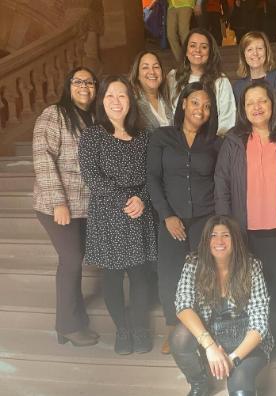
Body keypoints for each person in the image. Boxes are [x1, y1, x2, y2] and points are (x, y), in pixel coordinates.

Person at [215, 80, 276, 361]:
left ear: (273, 104)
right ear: (243, 109)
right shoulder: (234, 141)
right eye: (250, 102)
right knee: (254, 289)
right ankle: (259, 337)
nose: (256, 107)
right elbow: (222, 184)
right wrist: (225, 227)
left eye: (262, 101)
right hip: (245, 232)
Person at [79, 75, 158, 355]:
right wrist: (126, 199)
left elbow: (153, 175)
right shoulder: (92, 135)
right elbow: (92, 176)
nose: (116, 101)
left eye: (122, 95)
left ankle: (139, 328)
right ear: (102, 100)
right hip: (108, 214)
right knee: (112, 277)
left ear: (130, 101)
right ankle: (123, 331)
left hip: (139, 213)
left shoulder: (144, 136)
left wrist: (142, 200)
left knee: (139, 276)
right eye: (110, 95)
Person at [147, 82, 220, 355]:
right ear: (184, 104)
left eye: (207, 105)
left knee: (204, 275)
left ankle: (204, 329)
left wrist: (217, 222)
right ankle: (173, 328)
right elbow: (153, 178)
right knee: (170, 275)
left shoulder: (214, 142)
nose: (201, 109)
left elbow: (219, 181)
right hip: (171, 220)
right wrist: (166, 215)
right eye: (195, 103)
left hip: (205, 218)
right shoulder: (162, 137)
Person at [170, 215, 273, 396]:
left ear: (235, 240)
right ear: (206, 240)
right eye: (213, 235)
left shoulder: (252, 267)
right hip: (212, 337)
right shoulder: (194, 264)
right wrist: (210, 347)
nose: (219, 241)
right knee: (179, 336)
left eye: (225, 235)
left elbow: (260, 323)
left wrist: (232, 359)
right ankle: (199, 383)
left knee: (241, 391)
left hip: (245, 342)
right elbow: (183, 305)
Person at [32, 67, 99, 347]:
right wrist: (59, 202)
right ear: (68, 86)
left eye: (90, 82)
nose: (84, 86)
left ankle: (73, 320)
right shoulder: (54, 114)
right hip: (56, 205)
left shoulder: (95, 118)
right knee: (71, 260)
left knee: (74, 260)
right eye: (78, 81)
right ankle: (68, 325)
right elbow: (43, 158)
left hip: (84, 206)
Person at [167, 28, 236, 136]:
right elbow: (167, 113)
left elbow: (228, 119)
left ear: (210, 52)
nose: (197, 50)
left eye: (203, 47)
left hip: (210, 144)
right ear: (186, 50)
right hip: (176, 141)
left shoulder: (220, 81)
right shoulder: (173, 77)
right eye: (192, 45)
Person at [233, 31, 276, 125]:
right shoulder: (238, 87)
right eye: (249, 49)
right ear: (243, 55)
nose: (255, 53)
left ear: (267, 51)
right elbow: (241, 121)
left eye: (259, 48)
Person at [129, 50, 173, 131]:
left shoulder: (167, 98)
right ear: (137, 75)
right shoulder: (132, 103)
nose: (152, 72)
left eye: (156, 67)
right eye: (145, 67)